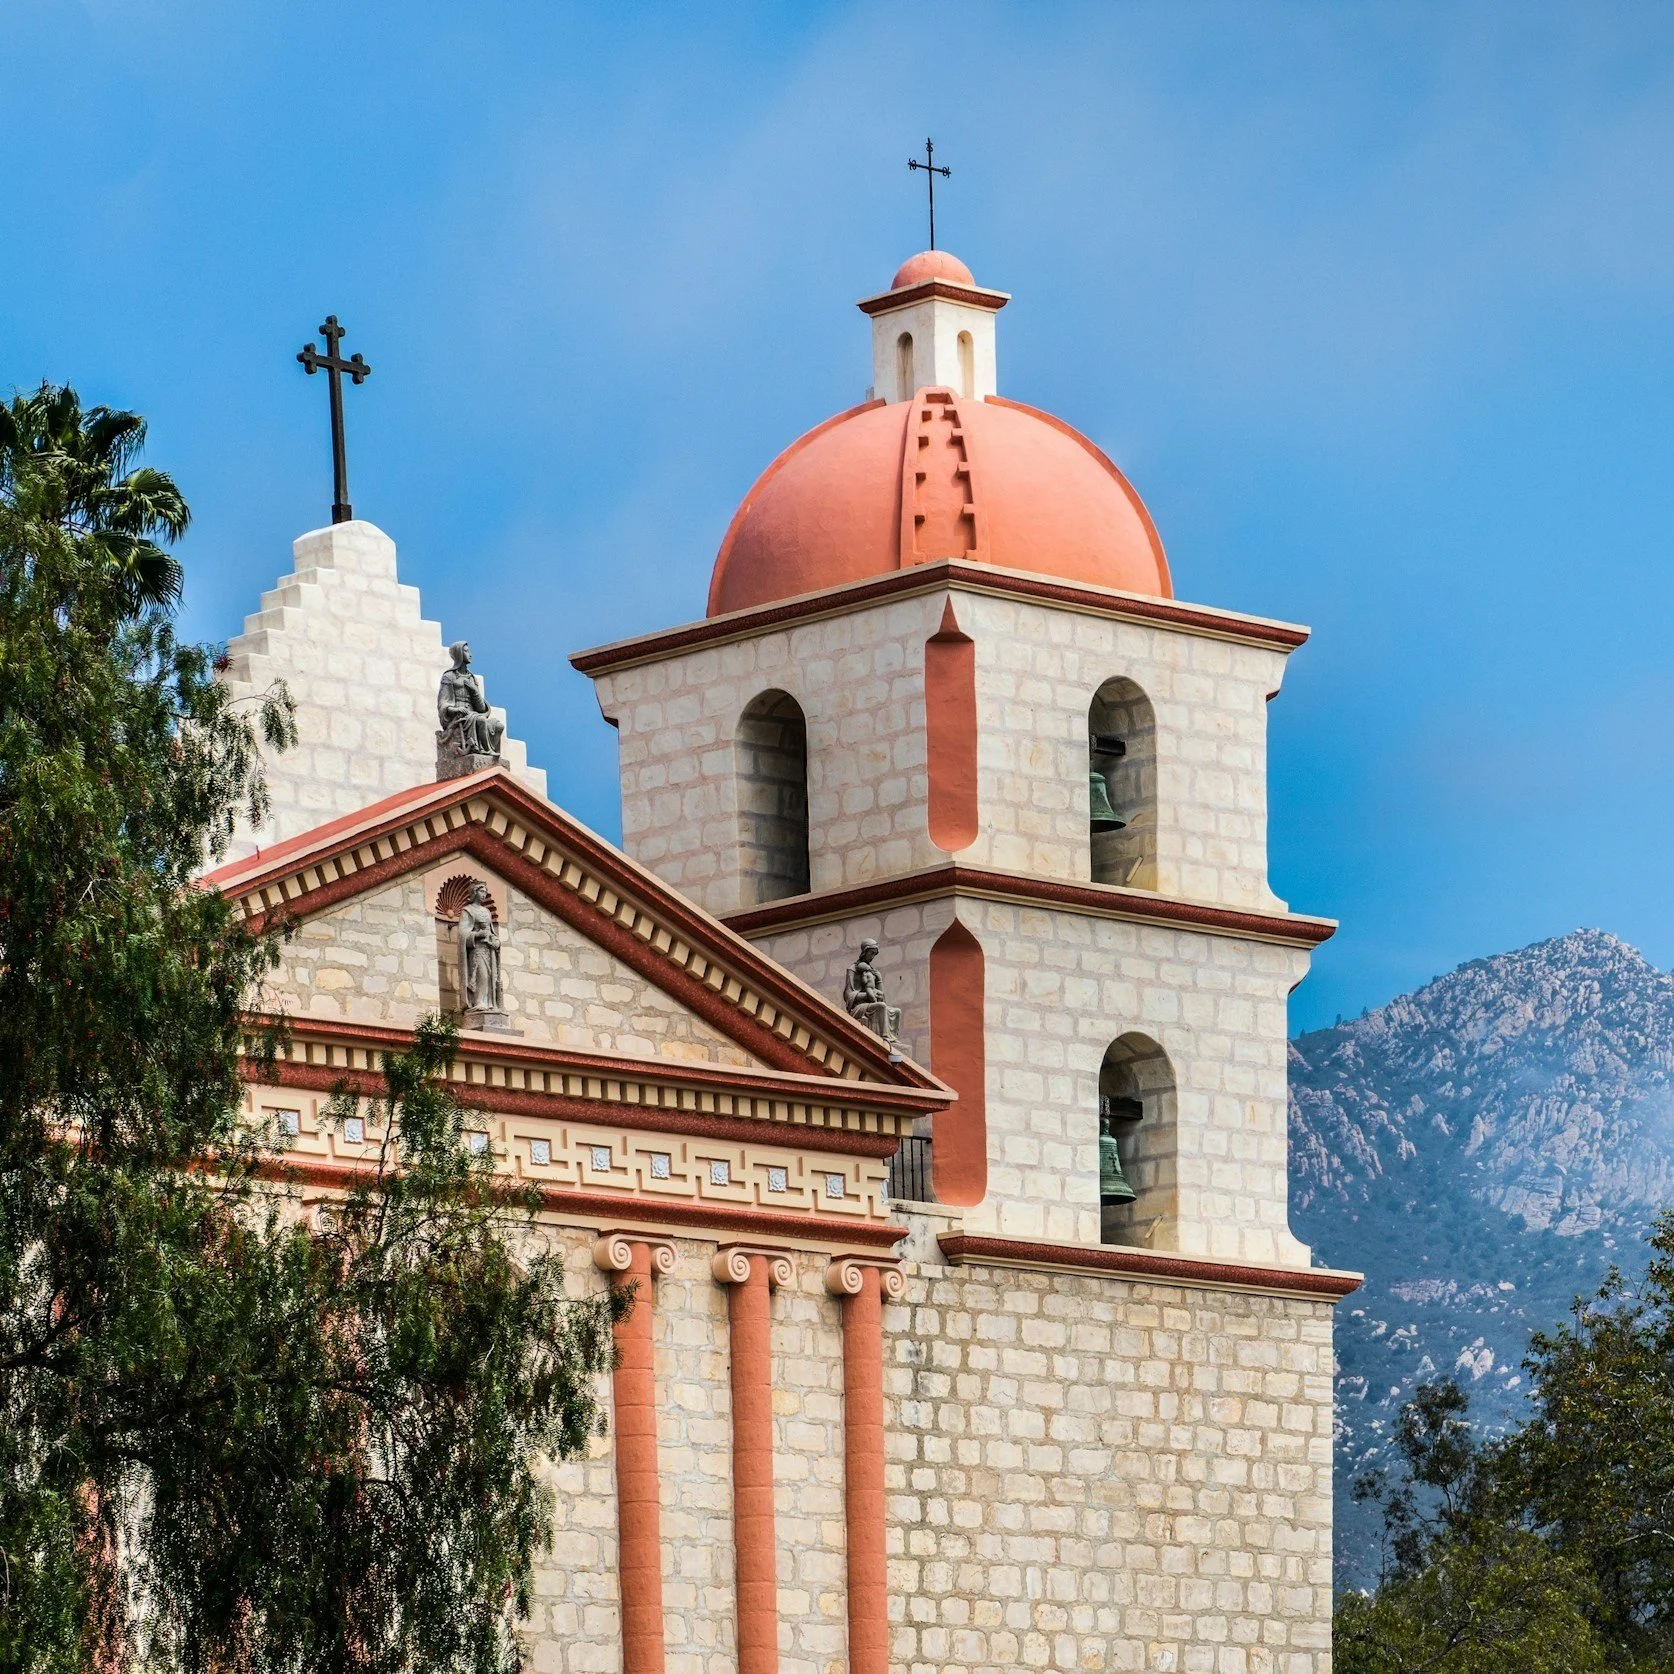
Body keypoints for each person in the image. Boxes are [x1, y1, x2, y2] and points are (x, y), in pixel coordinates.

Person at [437, 641, 505, 760]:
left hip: (474, 713)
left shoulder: (471, 678)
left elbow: (480, 708)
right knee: (481, 721)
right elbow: (443, 702)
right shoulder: (449, 676)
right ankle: (485, 750)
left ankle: (492, 752)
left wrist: (474, 691)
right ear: (458, 654)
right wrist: (455, 709)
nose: (470, 654)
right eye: (466, 651)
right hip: (459, 715)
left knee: (498, 726)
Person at [843, 938, 901, 1047]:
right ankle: (885, 1037)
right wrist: (867, 996)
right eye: (871, 953)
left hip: (871, 1003)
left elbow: (882, 996)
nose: (873, 957)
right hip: (858, 1008)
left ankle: (892, 1039)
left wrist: (879, 979)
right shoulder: (853, 969)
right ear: (865, 951)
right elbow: (848, 996)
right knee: (881, 1007)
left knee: (896, 1011)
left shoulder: (872, 970)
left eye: (875, 954)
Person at [457, 880, 502, 1014]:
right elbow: (462, 933)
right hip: (477, 950)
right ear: (474, 892)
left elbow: (492, 932)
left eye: (485, 892)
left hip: (489, 950)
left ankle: (489, 1004)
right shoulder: (467, 911)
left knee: (490, 977)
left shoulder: (487, 912)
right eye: (482, 891)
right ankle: (478, 1002)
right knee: (481, 975)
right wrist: (477, 935)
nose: (484, 894)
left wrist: (497, 942)